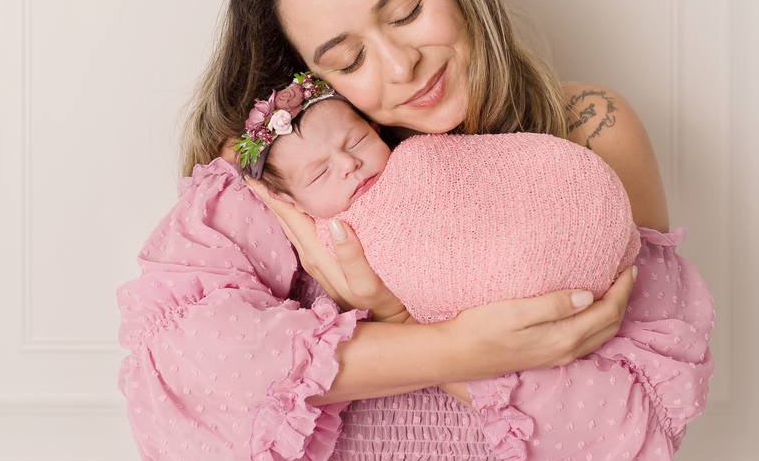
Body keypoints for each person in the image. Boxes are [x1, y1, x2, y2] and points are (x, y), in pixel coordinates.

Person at [117, 0, 713, 461]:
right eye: (348, 58)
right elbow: (194, 359)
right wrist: (459, 351)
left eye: (406, 12)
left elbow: (629, 426)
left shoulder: (588, 136)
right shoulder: (288, 171)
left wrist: (396, 319)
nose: (401, 66)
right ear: (310, 76)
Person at [237, 71, 641, 325]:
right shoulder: (328, 240)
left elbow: (492, 184)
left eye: (356, 141)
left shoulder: (419, 158)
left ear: (375, 128)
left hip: (547, 225)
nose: (348, 164)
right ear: (292, 202)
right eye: (320, 173)